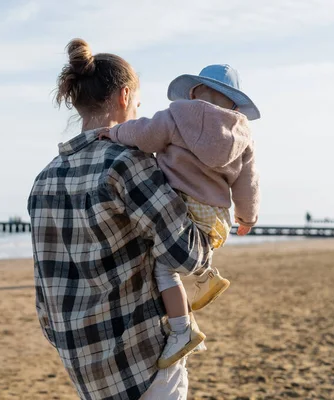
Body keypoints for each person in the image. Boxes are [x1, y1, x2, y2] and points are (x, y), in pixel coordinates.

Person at [28, 38, 217, 399]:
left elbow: (45, 292)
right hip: (143, 360)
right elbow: (187, 256)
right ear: (125, 96)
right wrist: (212, 226)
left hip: (83, 365)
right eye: (139, 104)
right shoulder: (127, 163)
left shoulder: (45, 178)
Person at [98, 64, 261, 368]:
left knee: (163, 267)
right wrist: (247, 216)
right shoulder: (243, 135)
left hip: (180, 204)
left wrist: (116, 132)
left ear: (195, 91)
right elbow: (248, 182)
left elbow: (144, 135)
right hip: (216, 218)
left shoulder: (176, 115)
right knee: (182, 247)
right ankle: (204, 273)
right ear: (235, 105)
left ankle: (181, 330)